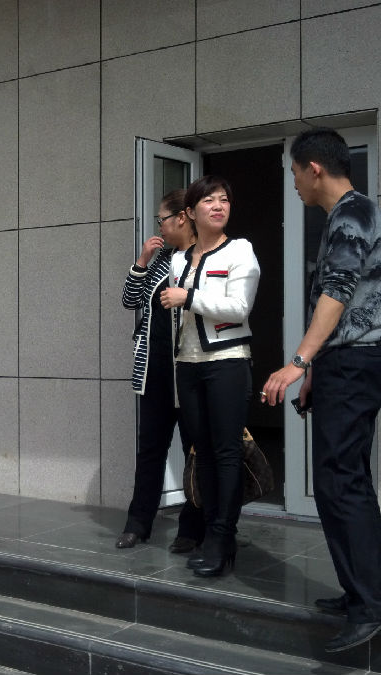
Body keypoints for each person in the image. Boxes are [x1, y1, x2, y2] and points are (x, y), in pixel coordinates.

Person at [260, 127, 381, 652]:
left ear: (314, 168)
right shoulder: (346, 215)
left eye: (295, 172)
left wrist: (298, 362)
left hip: (356, 365)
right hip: (346, 365)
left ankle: (375, 605)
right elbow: (340, 299)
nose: (294, 183)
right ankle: (361, 591)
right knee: (342, 482)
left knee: (341, 484)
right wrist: (317, 370)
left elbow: (337, 294)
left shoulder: (351, 214)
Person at [160, 176, 260, 577]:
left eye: (224, 200)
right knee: (200, 452)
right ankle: (208, 533)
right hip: (188, 364)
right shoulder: (179, 260)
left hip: (228, 362)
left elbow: (239, 307)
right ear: (190, 212)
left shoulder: (240, 250)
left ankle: (223, 537)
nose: (218, 206)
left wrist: (189, 297)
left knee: (226, 452)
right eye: (209, 200)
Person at [117, 189, 204, 553]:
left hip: (193, 372)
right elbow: (129, 300)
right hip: (155, 372)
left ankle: (192, 529)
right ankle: (138, 524)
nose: (160, 227)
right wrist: (142, 260)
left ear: (182, 218)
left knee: (195, 450)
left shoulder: (205, 255)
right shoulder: (162, 258)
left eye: (162, 220)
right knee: (151, 449)